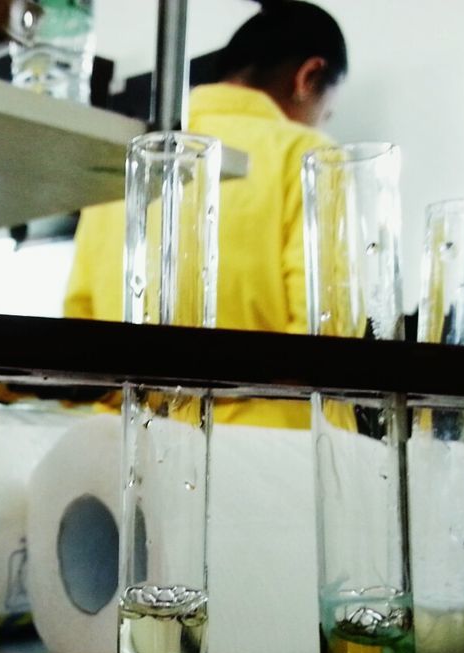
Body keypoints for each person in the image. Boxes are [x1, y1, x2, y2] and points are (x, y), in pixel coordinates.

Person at [64, 1, 348, 428]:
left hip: (121, 443)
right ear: (308, 77)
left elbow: (78, 339)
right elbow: (328, 342)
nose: (321, 121)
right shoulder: (310, 156)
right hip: (266, 456)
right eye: (327, 110)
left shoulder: (127, 161)